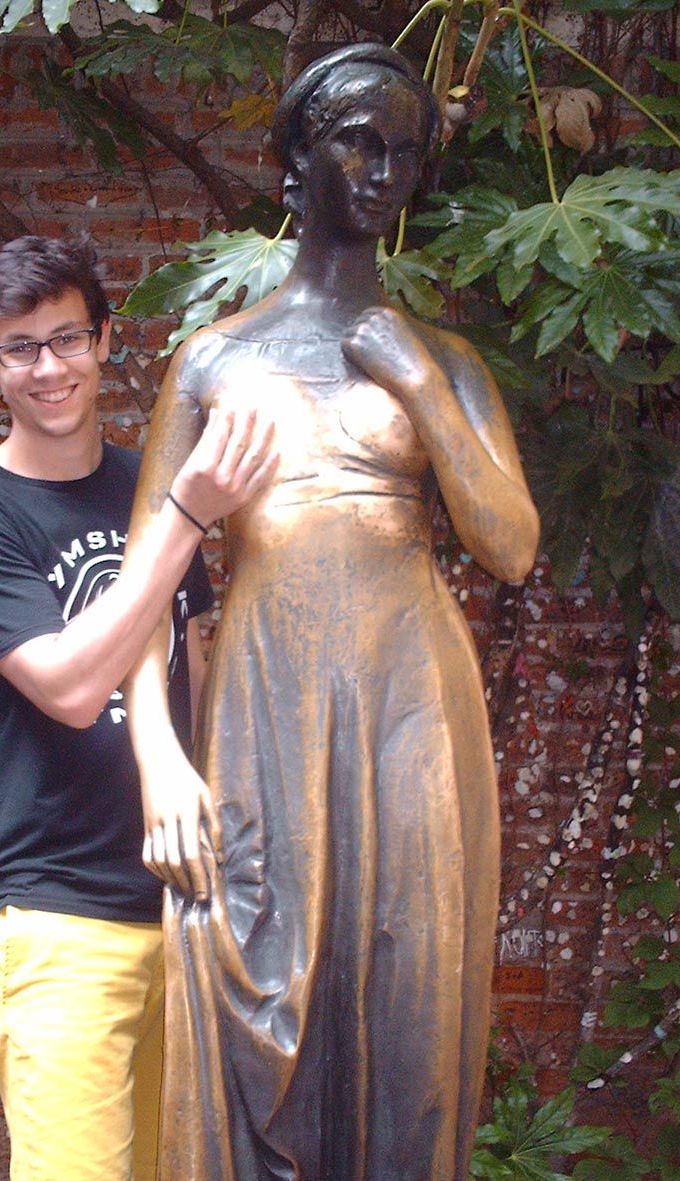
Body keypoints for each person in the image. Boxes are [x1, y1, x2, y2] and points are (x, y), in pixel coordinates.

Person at [124, 45, 540, 1181]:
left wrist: (418, 383)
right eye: (359, 141)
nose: (383, 170)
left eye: (404, 151)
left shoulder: (442, 357)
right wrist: (158, 757)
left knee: (414, 986)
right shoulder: (213, 360)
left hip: (412, 701)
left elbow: (509, 544)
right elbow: (145, 584)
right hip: (266, 695)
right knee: (253, 966)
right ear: (296, 160)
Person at [0, 234, 276, 1181]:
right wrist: (184, 518)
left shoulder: (144, 484)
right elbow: (74, 688)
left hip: (184, 905)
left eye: (68, 338)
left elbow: (190, 663)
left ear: (105, 338)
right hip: (58, 917)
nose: (49, 368)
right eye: (21, 347)